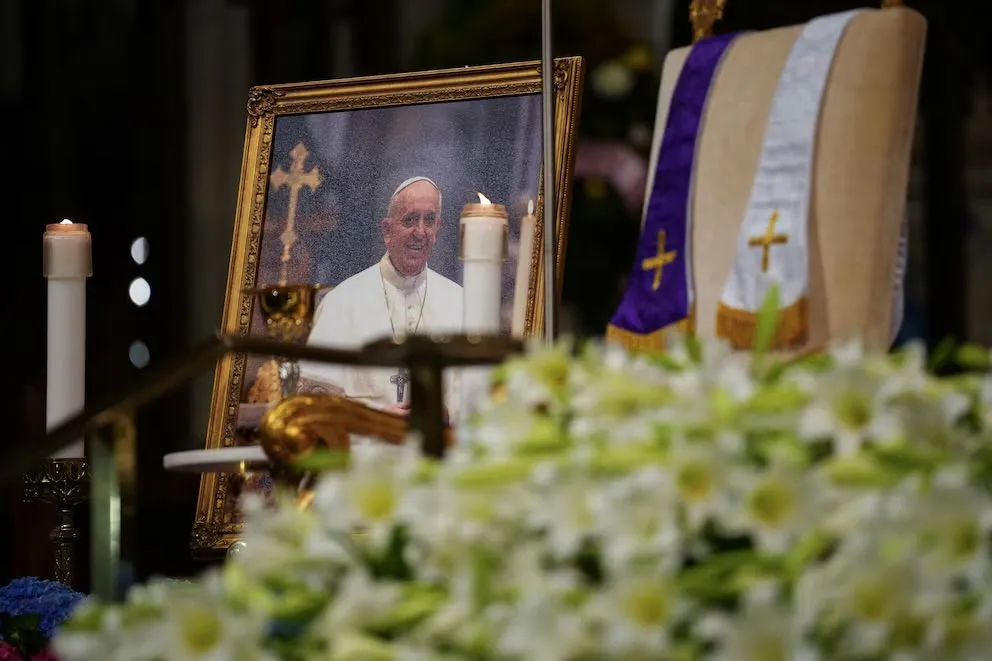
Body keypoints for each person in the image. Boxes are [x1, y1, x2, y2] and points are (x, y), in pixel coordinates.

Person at [297, 177, 463, 419]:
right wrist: (375, 418)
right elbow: (314, 406)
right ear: (387, 230)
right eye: (409, 219)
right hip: (365, 452)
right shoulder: (342, 302)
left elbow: (478, 400)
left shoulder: (460, 303)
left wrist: (445, 415)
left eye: (429, 220)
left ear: (437, 228)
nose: (420, 232)